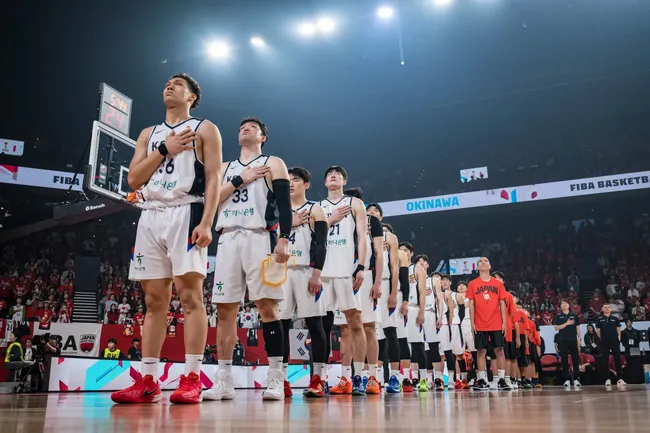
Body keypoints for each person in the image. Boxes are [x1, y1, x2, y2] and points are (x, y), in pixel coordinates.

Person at [112, 73, 222, 405]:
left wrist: (207, 222)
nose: (169, 86)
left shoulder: (205, 128)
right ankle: (148, 380)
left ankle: (192, 378)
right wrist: (164, 149)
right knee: (154, 301)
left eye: (178, 84)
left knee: (190, 297)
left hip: (186, 211)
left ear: (192, 97)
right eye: (166, 84)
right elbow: (134, 179)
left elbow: (214, 177)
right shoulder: (149, 134)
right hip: (150, 214)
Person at [205, 116, 292, 402]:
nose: (245, 129)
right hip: (228, 236)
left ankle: (275, 378)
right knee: (225, 310)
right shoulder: (225, 167)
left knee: (267, 308)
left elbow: (285, 205)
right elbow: (211, 199)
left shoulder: (273, 163)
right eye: (243, 127)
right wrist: (240, 179)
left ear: (263, 137)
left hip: (260, 237)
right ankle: (224, 379)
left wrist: (284, 238)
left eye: (253, 127)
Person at [277, 167, 329, 398]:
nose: (290, 183)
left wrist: (317, 273)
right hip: (281, 271)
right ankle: (280, 379)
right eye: (287, 179)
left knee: (315, 325)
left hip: (306, 270)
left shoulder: (315, 208)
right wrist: (289, 223)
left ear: (306, 184)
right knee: (280, 326)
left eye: (295, 180)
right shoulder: (278, 209)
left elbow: (322, 243)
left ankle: (318, 379)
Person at [319, 168, 369, 396]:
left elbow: (362, 236)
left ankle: (358, 377)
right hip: (323, 271)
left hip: (346, 270)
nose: (333, 175)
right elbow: (314, 237)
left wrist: (361, 266)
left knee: (355, 323)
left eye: (337, 174)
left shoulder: (355, 203)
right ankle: (320, 379)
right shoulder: (318, 207)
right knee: (322, 326)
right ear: (324, 182)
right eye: (329, 174)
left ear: (344, 181)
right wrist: (330, 220)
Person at [467, 257, 509, 391]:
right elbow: (471, 304)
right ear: (477, 267)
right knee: (481, 351)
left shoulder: (498, 283)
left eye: (486, 261)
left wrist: (504, 322)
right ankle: (482, 379)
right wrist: (472, 323)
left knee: (499, 350)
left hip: (496, 322)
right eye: (480, 261)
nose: (483, 263)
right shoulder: (472, 284)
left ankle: (501, 379)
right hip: (480, 322)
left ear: (490, 266)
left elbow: (502, 303)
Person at [491, 272, 519, 390]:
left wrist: (504, 321)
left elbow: (511, 313)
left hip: (505, 328)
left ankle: (506, 379)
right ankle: (495, 379)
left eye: (499, 278)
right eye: (495, 278)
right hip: (490, 326)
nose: (497, 280)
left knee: (506, 355)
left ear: (503, 281)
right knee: (493, 355)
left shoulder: (508, 296)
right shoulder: (488, 294)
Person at [405, 254, 429, 392]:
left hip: (414, 308)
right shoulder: (394, 266)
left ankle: (423, 379)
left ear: (410, 253)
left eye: (406, 250)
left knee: (418, 345)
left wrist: (421, 311)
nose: (403, 252)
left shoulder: (416, 269)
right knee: (402, 345)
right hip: (400, 309)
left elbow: (422, 292)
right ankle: (405, 379)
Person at [595, 304, 626, 388]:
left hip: (615, 342)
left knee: (618, 360)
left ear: (611, 309)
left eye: (608, 307)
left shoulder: (615, 319)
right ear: (602, 309)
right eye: (605, 307)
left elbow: (618, 329)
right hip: (604, 342)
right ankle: (607, 379)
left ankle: (619, 379)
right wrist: (601, 340)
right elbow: (598, 331)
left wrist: (618, 339)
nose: (607, 308)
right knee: (605, 361)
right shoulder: (599, 319)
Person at [553, 300, 582, 388]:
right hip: (562, 341)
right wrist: (567, 323)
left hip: (573, 340)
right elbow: (556, 327)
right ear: (560, 306)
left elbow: (577, 328)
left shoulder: (574, 316)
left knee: (575, 360)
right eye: (562, 303)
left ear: (569, 305)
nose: (564, 305)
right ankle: (566, 380)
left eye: (566, 303)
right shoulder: (558, 316)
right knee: (564, 361)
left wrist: (579, 339)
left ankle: (576, 379)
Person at [454, 281, 474, 389]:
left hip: (469, 325)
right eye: (459, 285)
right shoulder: (453, 298)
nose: (461, 286)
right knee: (459, 354)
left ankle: (477, 377)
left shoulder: (471, 298)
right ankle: (461, 378)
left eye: (463, 285)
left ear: (467, 288)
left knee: (475, 352)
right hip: (458, 325)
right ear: (457, 288)